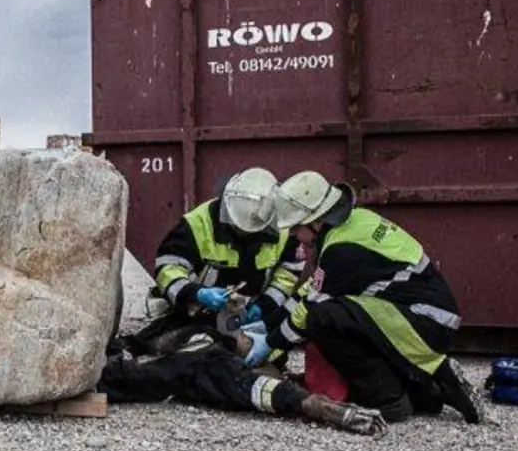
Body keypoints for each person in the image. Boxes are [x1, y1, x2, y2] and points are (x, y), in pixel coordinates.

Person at [248, 171, 482, 424]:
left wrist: (270, 343)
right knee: (337, 315)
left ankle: (389, 401)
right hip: (422, 318)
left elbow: (310, 307)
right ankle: (429, 392)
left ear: (315, 221)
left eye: (295, 228)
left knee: (323, 319)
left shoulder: (341, 250)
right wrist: (269, 322)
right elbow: (313, 288)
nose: (293, 235)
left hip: (422, 323)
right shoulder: (355, 223)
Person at [121, 167, 304, 356]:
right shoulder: (198, 224)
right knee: (171, 347)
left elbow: (288, 273)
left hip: (252, 317)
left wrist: (265, 305)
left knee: (262, 353)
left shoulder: (282, 229)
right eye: (238, 228)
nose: (244, 234)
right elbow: (168, 267)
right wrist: (197, 294)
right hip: (197, 313)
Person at [99, 322, 388, 436]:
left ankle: (322, 407)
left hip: (170, 373)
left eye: (249, 338)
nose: (244, 335)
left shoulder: (225, 365)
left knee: (131, 378)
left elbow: (258, 389)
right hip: (172, 368)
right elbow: (154, 339)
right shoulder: (208, 337)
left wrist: (312, 404)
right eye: (245, 335)